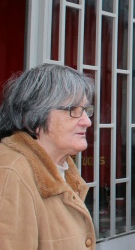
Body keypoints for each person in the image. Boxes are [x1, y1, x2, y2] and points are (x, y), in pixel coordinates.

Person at [0, 64, 96, 249]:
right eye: (73, 110)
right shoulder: (11, 174)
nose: (87, 121)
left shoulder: (60, 168)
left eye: (85, 110)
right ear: (33, 117)